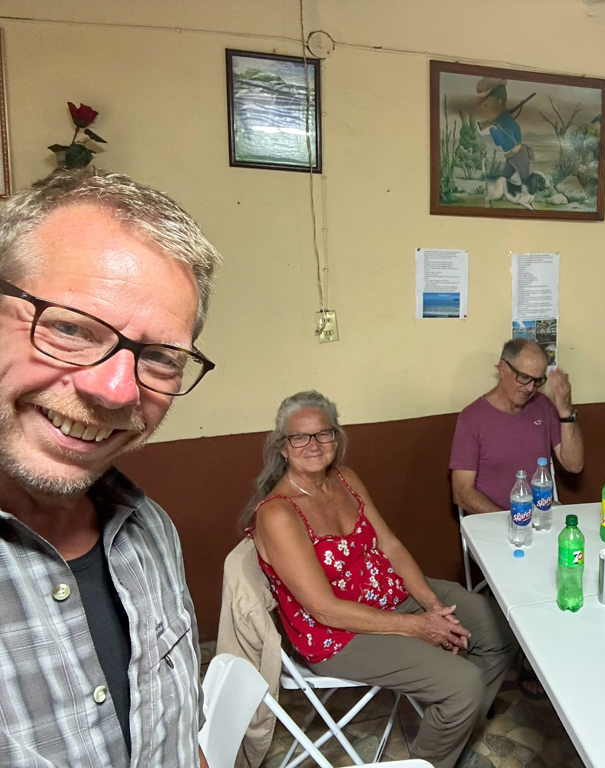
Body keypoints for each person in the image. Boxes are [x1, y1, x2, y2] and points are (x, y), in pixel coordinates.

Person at [0, 168, 220, 766]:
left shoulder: (149, 531)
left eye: (159, 358)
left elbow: (176, 734)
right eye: (70, 328)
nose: (119, 391)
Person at [244, 391, 517, 768]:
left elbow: (389, 545)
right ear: (283, 448)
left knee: (501, 629)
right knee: (462, 684)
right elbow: (325, 611)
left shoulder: (346, 478)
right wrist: (419, 626)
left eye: (324, 433)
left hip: (389, 596)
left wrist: (432, 605)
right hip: (340, 634)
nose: (313, 444)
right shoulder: (279, 513)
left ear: (336, 438)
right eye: (300, 437)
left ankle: (455, 728)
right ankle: (432, 759)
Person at [451, 338, 584, 514]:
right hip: (494, 521)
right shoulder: (471, 419)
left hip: (541, 518)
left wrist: (566, 412)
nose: (530, 388)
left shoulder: (543, 406)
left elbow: (574, 465)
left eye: (537, 381)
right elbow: (462, 493)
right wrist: (511, 521)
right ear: (503, 369)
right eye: (524, 378)